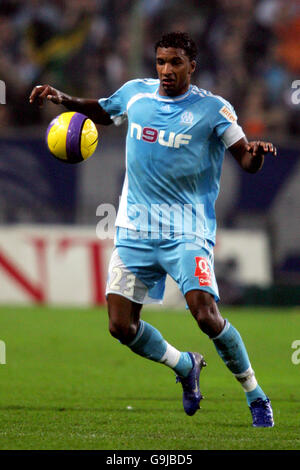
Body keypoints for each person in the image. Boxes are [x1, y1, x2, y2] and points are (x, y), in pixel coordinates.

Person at [29, 32, 277, 427]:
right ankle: (184, 364)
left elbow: (244, 158)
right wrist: (64, 100)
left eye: (175, 62)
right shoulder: (136, 95)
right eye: (161, 61)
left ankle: (256, 395)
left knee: (206, 315)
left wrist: (256, 156)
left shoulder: (214, 109)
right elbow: (103, 110)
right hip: (134, 231)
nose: (166, 70)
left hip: (187, 232)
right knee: (120, 326)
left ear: (191, 66)